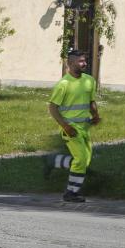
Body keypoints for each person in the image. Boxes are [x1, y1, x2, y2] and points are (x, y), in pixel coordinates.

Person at [43, 49, 100, 203]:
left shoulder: (89, 80)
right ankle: (71, 193)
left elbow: (91, 101)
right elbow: (52, 108)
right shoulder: (63, 84)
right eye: (81, 61)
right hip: (70, 128)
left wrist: (95, 115)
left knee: (85, 161)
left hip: (85, 127)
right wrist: (65, 126)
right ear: (70, 63)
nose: (85, 63)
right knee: (80, 160)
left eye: (85, 60)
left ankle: (54, 161)